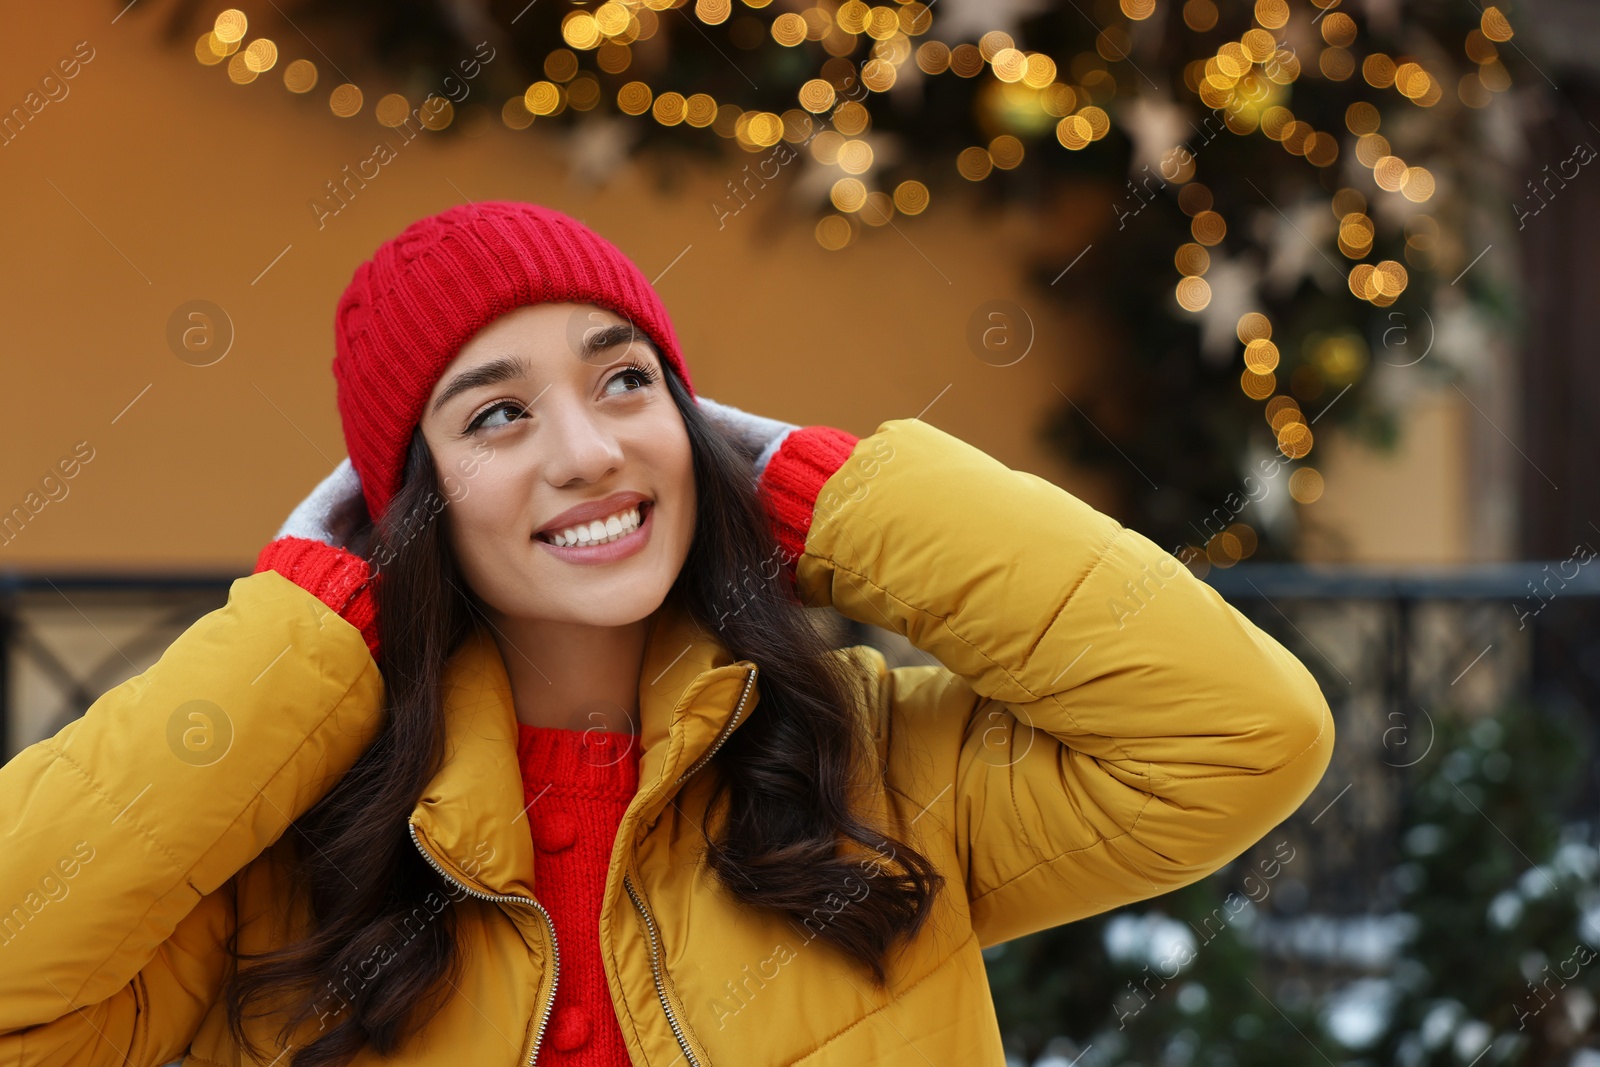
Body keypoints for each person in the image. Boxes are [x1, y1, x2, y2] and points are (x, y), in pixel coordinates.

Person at [0, 201, 1335, 1067]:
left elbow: (1244, 732)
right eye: (496, 415)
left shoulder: (872, 765)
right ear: (408, 510)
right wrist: (302, 631)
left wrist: (826, 497)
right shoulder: (288, 860)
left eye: (623, 379)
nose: (589, 451)